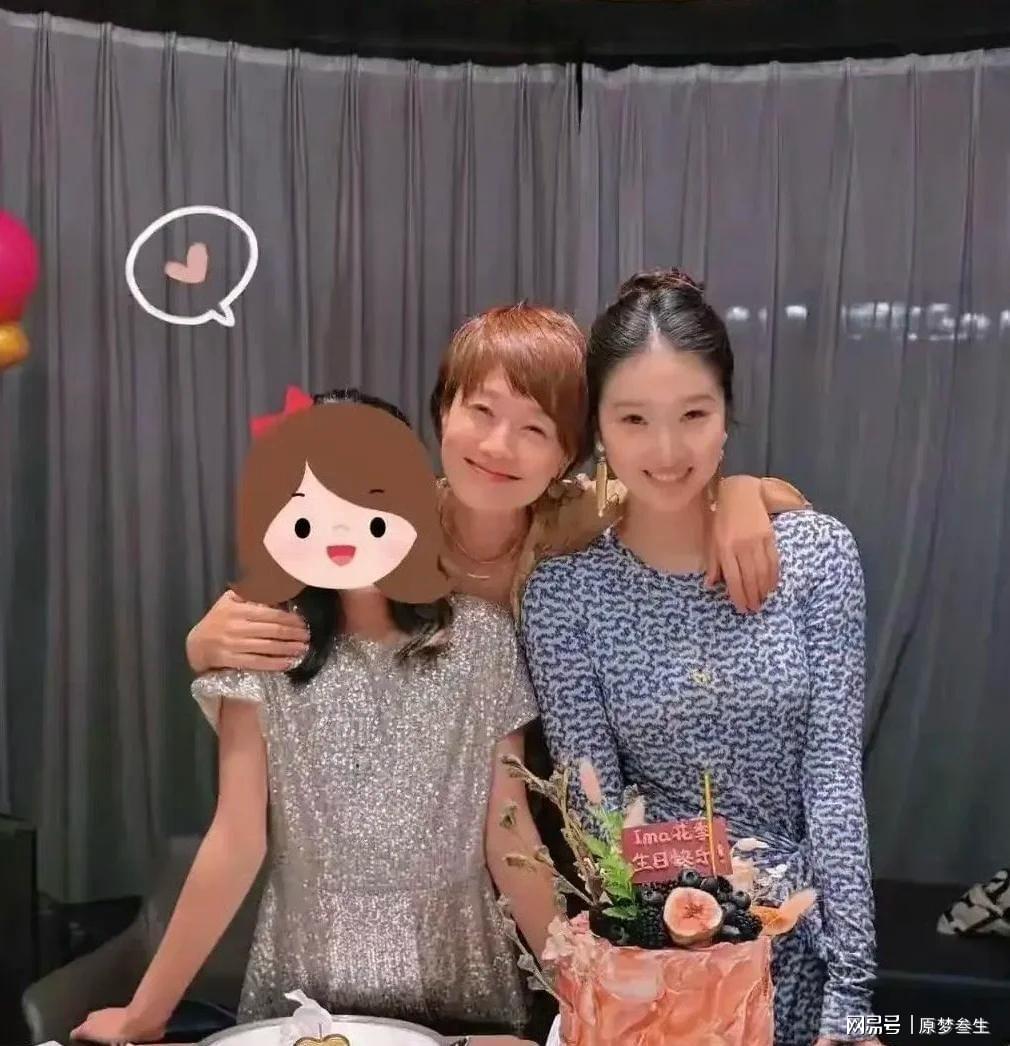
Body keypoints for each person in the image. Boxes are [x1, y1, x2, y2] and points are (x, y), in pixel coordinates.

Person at [71, 392, 550, 1046]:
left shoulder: (482, 640)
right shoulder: (262, 642)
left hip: (461, 969)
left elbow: (510, 834)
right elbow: (236, 839)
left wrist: (587, 990)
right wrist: (145, 1014)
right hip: (309, 971)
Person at [519, 271, 880, 1046]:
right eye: (634, 418)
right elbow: (593, 807)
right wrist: (652, 956)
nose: (666, 449)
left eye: (693, 414)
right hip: (662, 968)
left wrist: (853, 992)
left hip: (800, 949)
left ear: (727, 415)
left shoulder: (816, 558)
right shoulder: (564, 596)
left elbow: (833, 779)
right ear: (599, 428)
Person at [184, 303, 809, 675]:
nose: (498, 447)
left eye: (535, 429)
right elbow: (274, 602)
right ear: (442, 413)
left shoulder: (587, 511)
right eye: (481, 412)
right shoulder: (386, 521)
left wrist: (738, 493)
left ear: (568, 454)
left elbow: (770, 502)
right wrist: (202, 643)